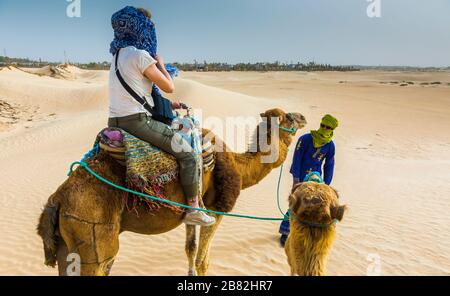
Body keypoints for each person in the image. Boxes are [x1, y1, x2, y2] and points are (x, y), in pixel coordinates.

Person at [107, 6, 215, 226]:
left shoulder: (117, 56)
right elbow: (169, 86)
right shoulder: (140, 56)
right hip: (137, 123)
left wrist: (167, 105)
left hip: (114, 122)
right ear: (142, 29)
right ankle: (193, 209)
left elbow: (137, 91)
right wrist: (162, 66)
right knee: (188, 154)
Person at [279, 114, 339, 247]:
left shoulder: (330, 145)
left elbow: (329, 164)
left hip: (317, 179)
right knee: (296, 203)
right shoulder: (305, 139)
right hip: (301, 177)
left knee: (314, 206)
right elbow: (297, 158)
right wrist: (296, 179)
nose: (324, 128)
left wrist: (327, 185)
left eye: (328, 127)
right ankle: (285, 232)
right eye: (323, 125)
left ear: (332, 129)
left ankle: (307, 234)